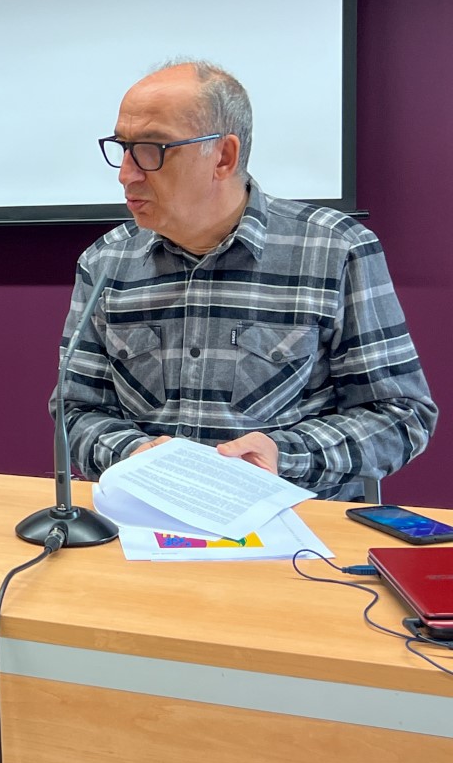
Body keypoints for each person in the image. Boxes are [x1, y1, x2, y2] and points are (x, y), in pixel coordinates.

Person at [55, 60, 437, 500]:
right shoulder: (105, 261)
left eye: (150, 149)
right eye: (122, 148)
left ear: (223, 156)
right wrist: (132, 453)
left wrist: (284, 455)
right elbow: (75, 409)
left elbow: (401, 413)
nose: (126, 173)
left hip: (289, 521)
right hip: (148, 517)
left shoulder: (336, 250)